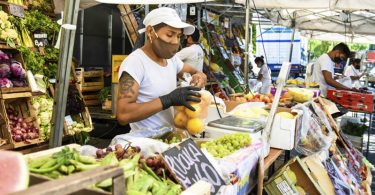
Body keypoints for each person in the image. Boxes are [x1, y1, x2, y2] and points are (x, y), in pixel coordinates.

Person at [116, 7, 207, 131]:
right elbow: (123, 114)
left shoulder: (171, 59)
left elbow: (194, 72)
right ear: (150, 31)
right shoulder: (134, 63)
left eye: (179, 36)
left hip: (169, 138)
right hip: (146, 143)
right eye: (169, 34)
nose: (175, 41)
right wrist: (167, 100)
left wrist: (200, 76)